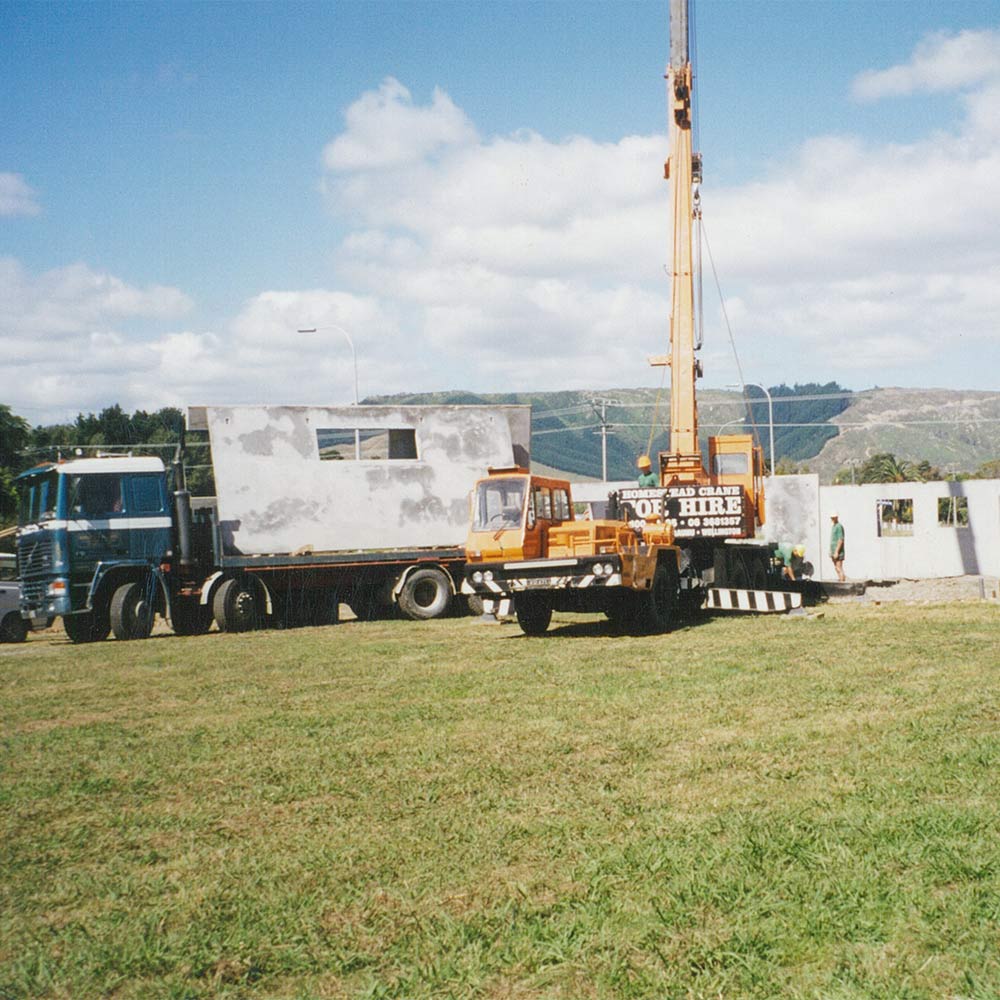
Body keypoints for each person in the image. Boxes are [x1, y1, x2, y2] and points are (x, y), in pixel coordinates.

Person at [829, 512, 846, 582]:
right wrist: (831, 551)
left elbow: (840, 540)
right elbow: (833, 540)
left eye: (834, 517)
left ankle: (842, 584)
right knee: (836, 568)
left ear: (837, 517)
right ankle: (841, 581)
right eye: (832, 517)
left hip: (838, 552)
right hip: (833, 551)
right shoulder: (834, 526)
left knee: (839, 568)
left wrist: (836, 552)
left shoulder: (839, 526)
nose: (832, 519)